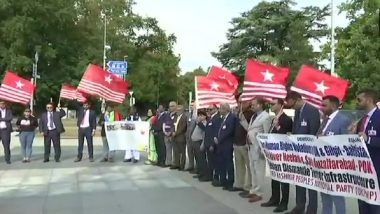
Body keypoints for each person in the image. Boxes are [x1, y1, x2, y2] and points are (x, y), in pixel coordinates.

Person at [285, 91, 320, 214]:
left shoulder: (312, 111)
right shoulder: (297, 111)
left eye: (292, 104)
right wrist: (292, 135)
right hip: (298, 153)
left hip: (309, 153)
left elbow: (314, 132)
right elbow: (296, 129)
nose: (292, 107)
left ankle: (311, 209)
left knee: (310, 183)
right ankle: (299, 206)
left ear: (298, 99)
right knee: (299, 179)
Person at [316, 96, 350, 214]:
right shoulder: (325, 120)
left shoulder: (343, 120)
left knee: (337, 196)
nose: (322, 107)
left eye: (325, 105)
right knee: (324, 195)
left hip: (336, 166)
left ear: (334, 106)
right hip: (322, 163)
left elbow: (345, 144)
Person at [261, 98, 293, 212]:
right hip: (273, 153)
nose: (271, 106)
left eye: (274, 104)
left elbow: (286, 136)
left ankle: (284, 203)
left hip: (283, 154)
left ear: (280, 105)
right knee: (274, 176)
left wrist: (278, 126)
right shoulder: (273, 118)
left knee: (284, 179)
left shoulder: (286, 119)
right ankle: (274, 198)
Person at [355, 89, 380, 214]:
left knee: (374, 204)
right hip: (361, 168)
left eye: (360, 99)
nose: (357, 102)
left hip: (376, 168)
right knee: (362, 201)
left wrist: (369, 139)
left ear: (369, 100)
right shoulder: (361, 119)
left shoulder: (379, 117)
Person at [245, 97, 271, 203]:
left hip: (258, 147)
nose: (252, 106)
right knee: (253, 169)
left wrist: (263, 149)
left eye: (254, 104)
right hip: (251, 146)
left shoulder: (265, 117)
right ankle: (254, 190)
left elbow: (266, 134)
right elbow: (251, 129)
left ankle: (259, 192)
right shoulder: (254, 116)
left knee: (259, 170)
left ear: (260, 105)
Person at [230, 98, 254, 192]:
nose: (241, 104)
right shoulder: (237, 113)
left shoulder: (250, 114)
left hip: (245, 143)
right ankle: (239, 184)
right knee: (239, 165)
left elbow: (249, 128)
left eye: (243, 102)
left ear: (249, 102)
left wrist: (243, 119)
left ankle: (248, 185)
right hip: (237, 142)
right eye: (239, 102)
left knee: (249, 166)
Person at [214, 103, 236, 189]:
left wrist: (219, 139)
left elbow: (229, 131)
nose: (219, 110)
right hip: (221, 145)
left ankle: (230, 182)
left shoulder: (231, 118)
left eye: (220, 109)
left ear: (225, 109)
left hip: (227, 144)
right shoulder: (223, 118)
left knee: (228, 163)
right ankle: (223, 180)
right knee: (221, 163)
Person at [201, 105, 222, 182]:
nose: (209, 111)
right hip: (207, 143)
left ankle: (216, 177)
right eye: (208, 109)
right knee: (210, 161)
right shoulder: (210, 118)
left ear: (216, 109)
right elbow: (207, 131)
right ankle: (210, 175)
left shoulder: (217, 118)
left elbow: (216, 133)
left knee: (214, 161)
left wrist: (212, 144)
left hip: (212, 144)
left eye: (210, 109)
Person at [191, 110, 208, 178]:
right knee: (197, 158)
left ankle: (203, 173)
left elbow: (204, 130)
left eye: (201, 115)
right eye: (199, 115)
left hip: (200, 142)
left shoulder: (204, 123)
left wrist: (199, 123)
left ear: (205, 116)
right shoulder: (198, 123)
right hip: (195, 142)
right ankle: (199, 172)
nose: (200, 117)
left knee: (201, 159)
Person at [171, 105, 187, 170]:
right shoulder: (176, 117)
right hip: (174, 136)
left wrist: (176, 133)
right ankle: (176, 164)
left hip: (181, 137)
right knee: (176, 152)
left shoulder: (184, 117)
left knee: (182, 152)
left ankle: (182, 165)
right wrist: (172, 132)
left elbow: (183, 127)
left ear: (182, 110)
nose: (177, 111)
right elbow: (172, 124)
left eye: (178, 110)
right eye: (177, 110)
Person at [162, 101, 177, 167]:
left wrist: (170, 132)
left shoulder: (177, 115)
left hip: (172, 134)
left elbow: (175, 124)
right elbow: (164, 123)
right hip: (166, 134)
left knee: (174, 150)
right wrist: (165, 132)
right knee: (168, 149)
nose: (170, 107)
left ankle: (174, 163)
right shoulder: (167, 114)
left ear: (175, 106)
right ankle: (168, 162)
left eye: (172, 106)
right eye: (170, 106)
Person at [185, 102, 197, 173]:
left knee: (195, 152)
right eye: (190, 105)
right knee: (189, 152)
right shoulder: (189, 114)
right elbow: (187, 125)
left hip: (194, 136)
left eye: (192, 105)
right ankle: (190, 165)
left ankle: (196, 167)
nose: (191, 106)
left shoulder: (197, 114)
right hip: (188, 136)